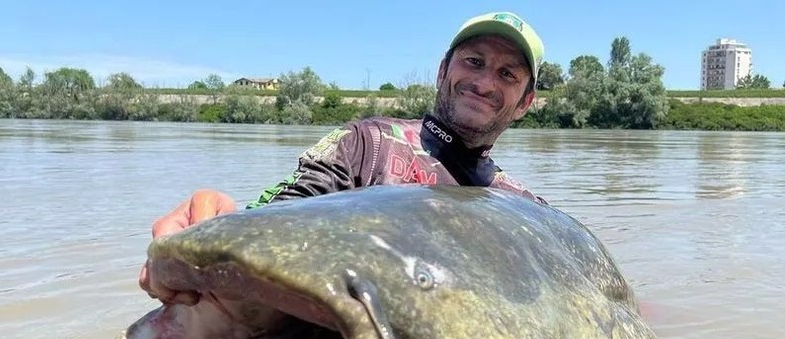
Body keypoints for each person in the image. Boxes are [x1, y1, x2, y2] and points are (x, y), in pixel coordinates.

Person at [140, 11, 546, 303]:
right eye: (474, 62)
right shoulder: (366, 144)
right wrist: (216, 226)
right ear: (442, 71)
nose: (484, 81)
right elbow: (281, 217)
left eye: (507, 74)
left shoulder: (528, 211)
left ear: (526, 101)